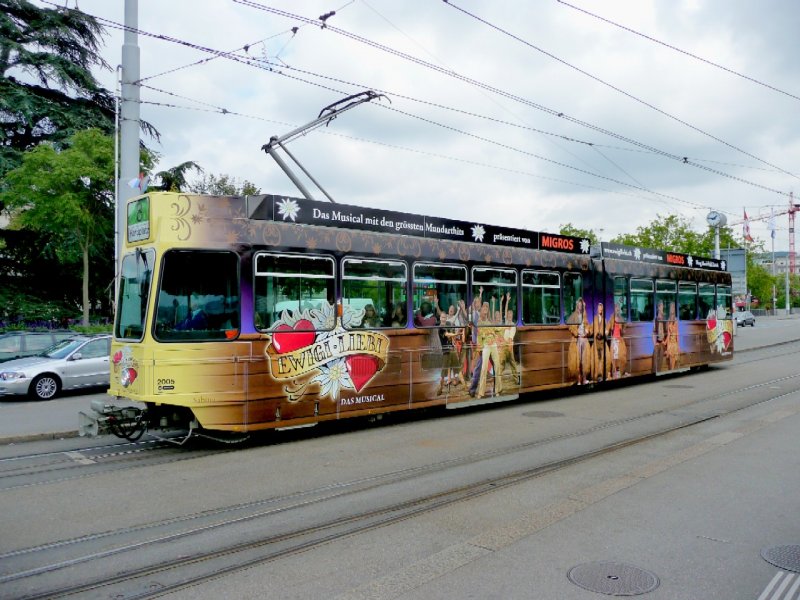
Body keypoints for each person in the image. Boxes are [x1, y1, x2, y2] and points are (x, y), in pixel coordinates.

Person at [566, 298, 591, 385]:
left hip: (584, 339)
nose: (580, 307)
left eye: (582, 305)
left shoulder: (585, 316)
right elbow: (569, 325)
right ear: (577, 306)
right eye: (579, 305)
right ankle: (579, 380)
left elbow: (588, 325)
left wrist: (587, 330)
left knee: (584, 360)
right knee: (578, 361)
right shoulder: (574, 315)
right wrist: (576, 332)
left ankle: (584, 379)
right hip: (577, 340)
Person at [592, 302, 609, 382]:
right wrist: (588, 331)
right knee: (597, 359)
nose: (600, 309)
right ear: (597, 309)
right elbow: (591, 328)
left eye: (601, 308)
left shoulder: (605, 319)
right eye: (599, 308)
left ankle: (602, 375)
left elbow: (607, 328)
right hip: (596, 343)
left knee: (602, 359)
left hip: (602, 342)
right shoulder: (594, 318)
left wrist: (606, 332)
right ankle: (597, 375)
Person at [609, 302, 627, 379]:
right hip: (614, 339)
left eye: (618, 308)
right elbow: (609, 327)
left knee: (620, 356)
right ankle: (614, 373)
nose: (617, 309)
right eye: (616, 308)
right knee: (614, 357)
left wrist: (623, 329)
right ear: (614, 309)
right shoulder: (612, 318)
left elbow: (624, 329)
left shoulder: (621, 318)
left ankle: (619, 372)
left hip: (619, 339)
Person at [653, 300, 667, 372]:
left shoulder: (664, 319)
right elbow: (653, 332)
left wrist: (665, 341)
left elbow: (667, 332)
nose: (662, 309)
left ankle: (658, 372)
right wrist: (654, 343)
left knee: (661, 357)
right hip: (657, 342)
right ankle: (654, 372)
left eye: (662, 307)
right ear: (658, 308)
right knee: (655, 357)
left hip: (663, 342)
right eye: (661, 307)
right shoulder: (655, 319)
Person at [665, 301, 679, 370]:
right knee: (670, 358)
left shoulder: (676, 320)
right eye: (670, 307)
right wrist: (666, 343)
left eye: (673, 307)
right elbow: (668, 334)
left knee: (673, 358)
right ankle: (671, 370)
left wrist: (678, 345)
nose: (671, 309)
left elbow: (677, 333)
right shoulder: (668, 320)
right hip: (670, 342)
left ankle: (672, 370)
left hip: (674, 342)